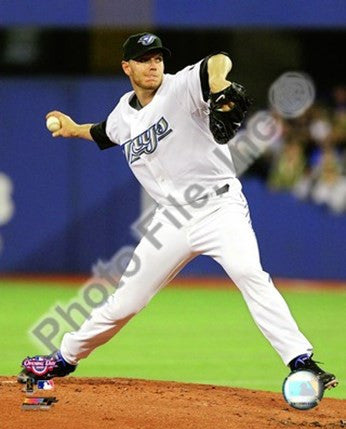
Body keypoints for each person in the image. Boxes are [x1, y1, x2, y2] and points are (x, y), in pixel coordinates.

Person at [19, 33, 337, 390]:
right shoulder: (123, 114)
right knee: (125, 301)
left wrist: (217, 84)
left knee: (250, 274)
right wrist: (71, 128)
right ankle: (63, 359)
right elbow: (104, 133)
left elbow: (218, 61)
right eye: (144, 59)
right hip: (171, 220)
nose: (153, 64)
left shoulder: (182, 86)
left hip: (219, 207)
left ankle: (301, 362)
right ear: (127, 67)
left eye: (157, 58)